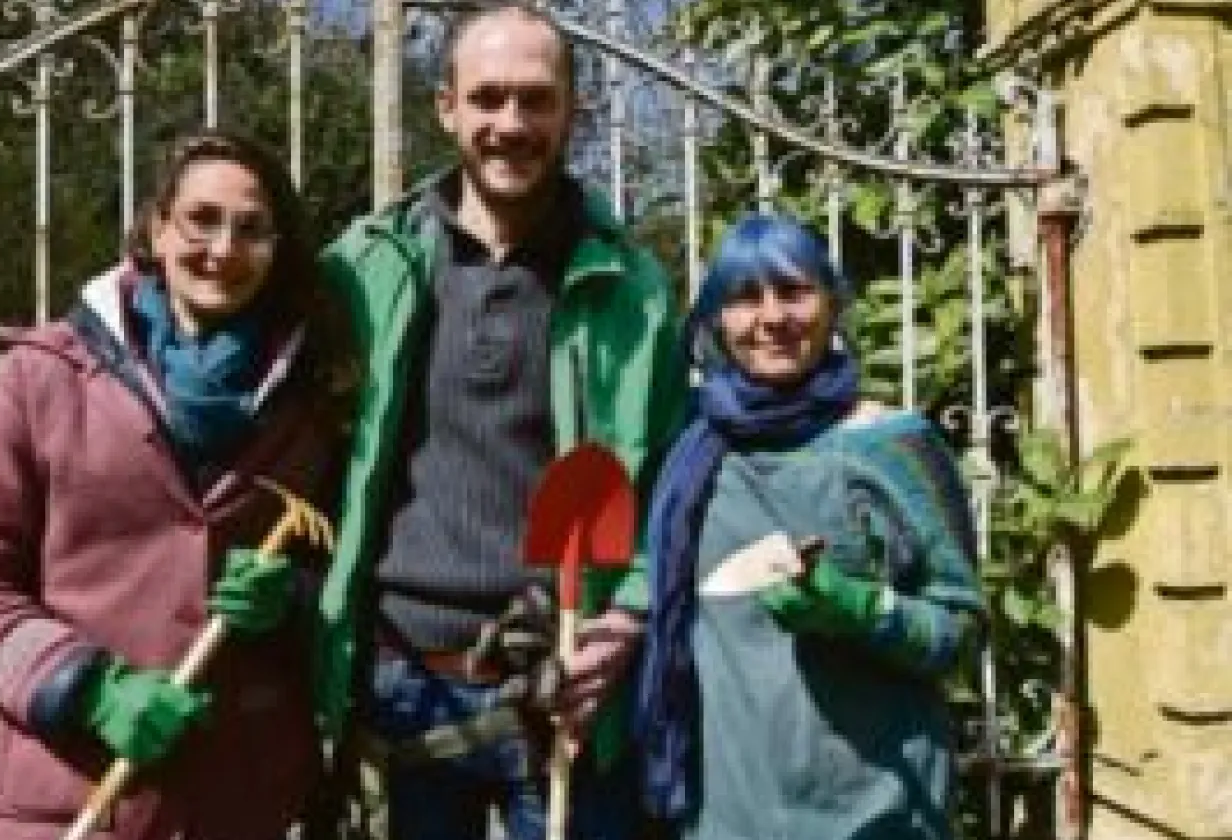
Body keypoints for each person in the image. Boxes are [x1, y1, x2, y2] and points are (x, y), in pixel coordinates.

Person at [0, 130, 352, 840]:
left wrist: (293, 601)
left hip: (237, 805)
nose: (223, 249)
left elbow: (344, 574)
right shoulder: (41, 377)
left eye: (252, 229)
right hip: (67, 792)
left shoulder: (312, 400)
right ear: (156, 227)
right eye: (201, 219)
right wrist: (84, 686)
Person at [314, 4, 687, 839]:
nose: (509, 124)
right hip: (403, 679)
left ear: (571, 112)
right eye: (487, 98)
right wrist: (85, 340)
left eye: (535, 99)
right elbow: (235, 331)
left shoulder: (633, 288)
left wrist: (622, 619)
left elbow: (671, 480)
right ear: (446, 107)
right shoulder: (365, 266)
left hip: (562, 682)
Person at [636, 213, 986, 839]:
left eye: (793, 292)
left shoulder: (896, 446)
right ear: (716, 318)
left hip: (880, 812)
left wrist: (862, 609)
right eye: (745, 297)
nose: (772, 317)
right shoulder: (692, 454)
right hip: (727, 814)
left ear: (833, 303)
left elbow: (960, 633)